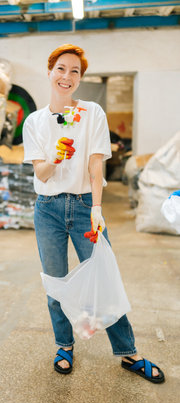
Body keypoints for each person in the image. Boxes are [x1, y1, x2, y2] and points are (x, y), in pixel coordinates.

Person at [22, 44, 165, 383]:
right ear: (49, 71)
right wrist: (57, 156)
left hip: (86, 204)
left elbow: (95, 161)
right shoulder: (34, 122)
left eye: (74, 71)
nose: (66, 76)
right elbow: (40, 174)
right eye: (61, 68)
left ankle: (128, 353)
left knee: (106, 279)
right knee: (55, 283)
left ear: (80, 78)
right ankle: (64, 346)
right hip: (48, 209)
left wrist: (97, 207)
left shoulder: (92, 113)